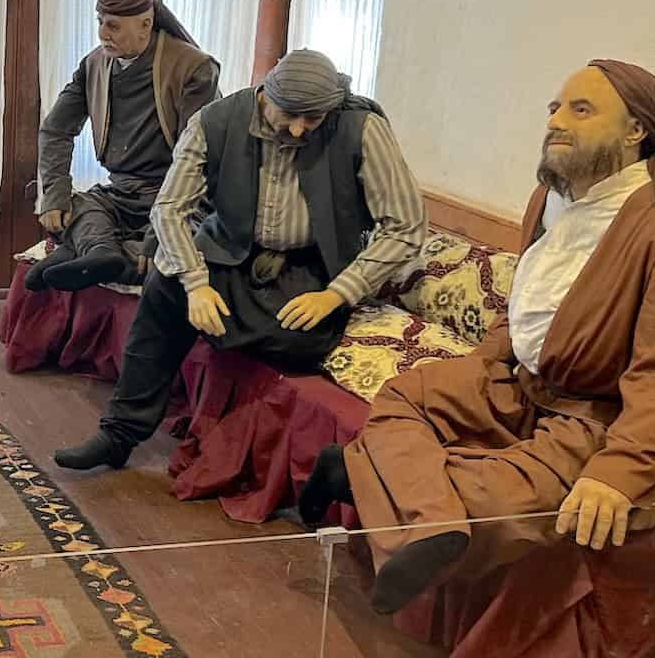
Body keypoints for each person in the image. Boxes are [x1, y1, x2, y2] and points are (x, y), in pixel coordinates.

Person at [302, 61, 655, 627]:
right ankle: (423, 519)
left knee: (494, 507)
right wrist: (478, 371)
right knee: (404, 396)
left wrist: (618, 472)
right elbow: (529, 306)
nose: (557, 121)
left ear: (637, 130)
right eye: (554, 109)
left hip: (597, 417)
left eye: (581, 110)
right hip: (523, 383)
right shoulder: (555, 194)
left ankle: (360, 477)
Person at [56, 49, 426, 471]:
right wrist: (196, 285)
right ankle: (119, 433)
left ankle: (222, 330)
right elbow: (170, 209)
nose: (300, 129)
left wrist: (339, 294)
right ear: (264, 92)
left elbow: (406, 225)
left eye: (314, 119)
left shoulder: (361, 128)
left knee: (297, 343)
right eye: (289, 115)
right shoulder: (215, 121)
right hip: (228, 250)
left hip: (310, 267)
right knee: (165, 285)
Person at [30, 0, 220, 291]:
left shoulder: (193, 68)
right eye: (100, 22)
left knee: (177, 248)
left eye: (114, 26)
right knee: (77, 205)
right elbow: (55, 130)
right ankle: (101, 253)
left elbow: (196, 159)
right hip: (122, 194)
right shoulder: (94, 64)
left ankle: (78, 251)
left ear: (146, 24)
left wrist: (162, 229)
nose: (103, 33)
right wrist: (55, 194)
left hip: (180, 196)